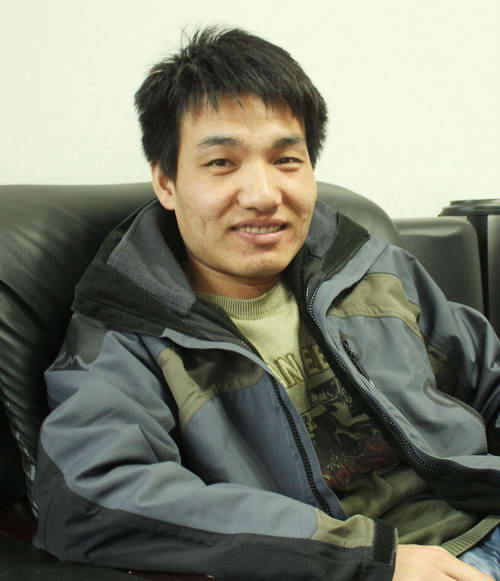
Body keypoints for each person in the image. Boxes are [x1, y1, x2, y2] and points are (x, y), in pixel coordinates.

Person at [32, 27, 499, 581]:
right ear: (166, 182)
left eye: (286, 160)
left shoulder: (365, 267)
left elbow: (487, 375)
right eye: (221, 163)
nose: (262, 195)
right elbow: (91, 496)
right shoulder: (127, 329)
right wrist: (365, 561)